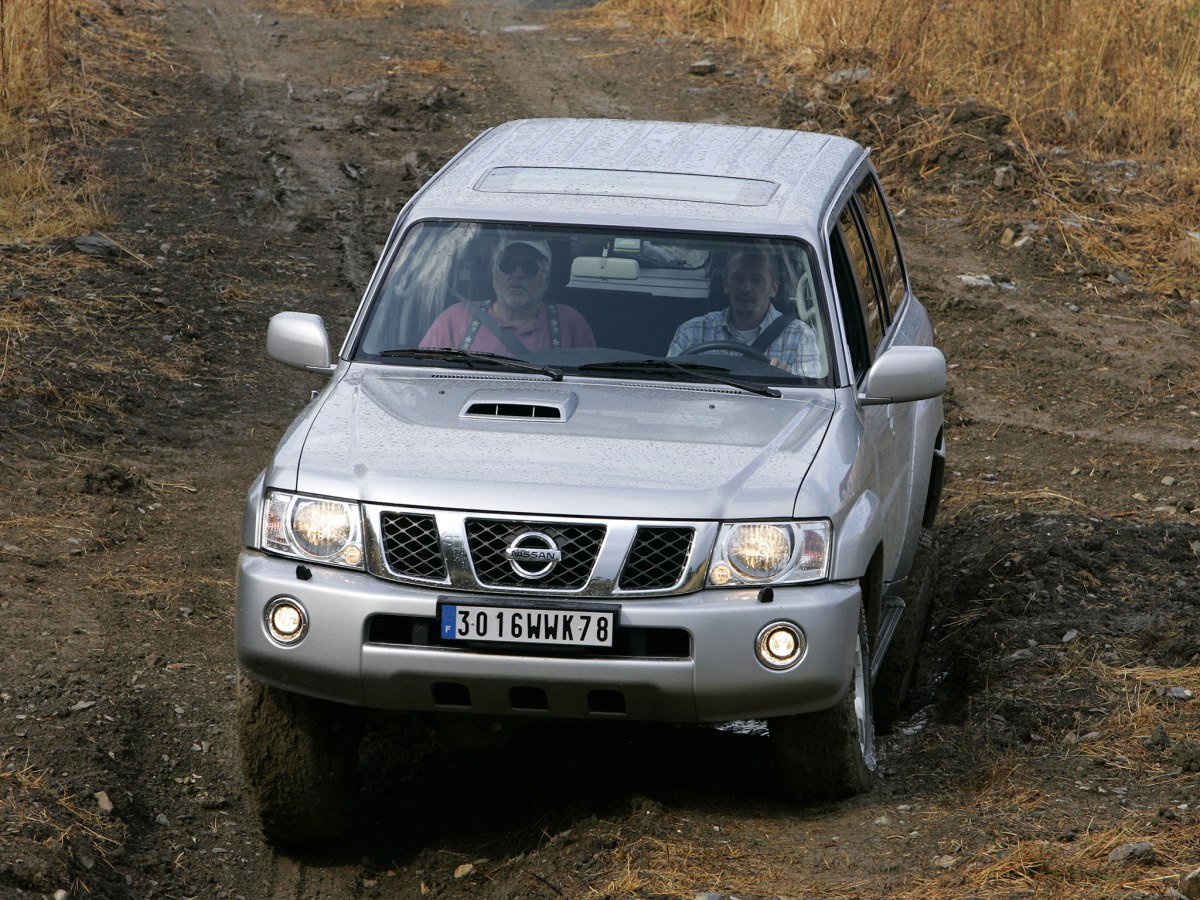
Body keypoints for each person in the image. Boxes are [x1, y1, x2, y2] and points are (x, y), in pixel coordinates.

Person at [420, 237, 595, 354]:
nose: (517, 274)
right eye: (507, 265)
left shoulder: (570, 322)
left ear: (545, 280)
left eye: (530, 267)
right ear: (493, 276)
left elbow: (589, 384)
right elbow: (423, 377)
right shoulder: (455, 318)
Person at [667, 250, 821, 376]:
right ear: (725, 284)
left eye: (756, 280)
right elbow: (669, 389)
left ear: (773, 288)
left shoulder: (799, 337)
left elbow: (812, 401)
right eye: (738, 278)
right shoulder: (691, 332)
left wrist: (789, 380)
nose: (746, 288)